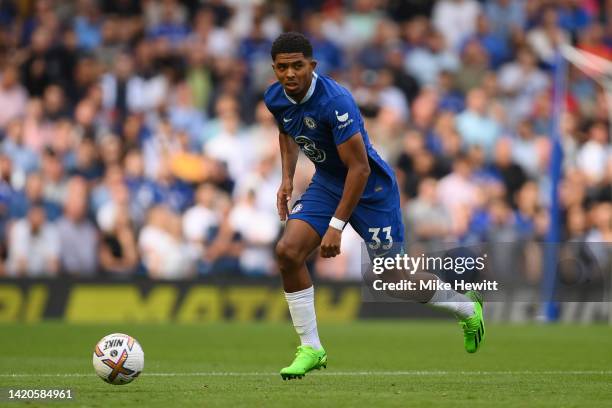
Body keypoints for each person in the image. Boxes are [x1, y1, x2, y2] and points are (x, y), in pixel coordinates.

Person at [264, 32, 486, 380]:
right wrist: (287, 179)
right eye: (282, 67)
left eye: (297, 66)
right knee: (288, 252)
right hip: (327, 182)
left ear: (312, 65)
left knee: (391, 278)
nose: (289, 74)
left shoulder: (335, 102)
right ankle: (311, 347)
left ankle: (465, 306)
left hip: (371, 188)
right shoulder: (275, 97)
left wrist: (336, 226)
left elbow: (360, 167)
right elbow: (287, 133)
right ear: (274, 69)